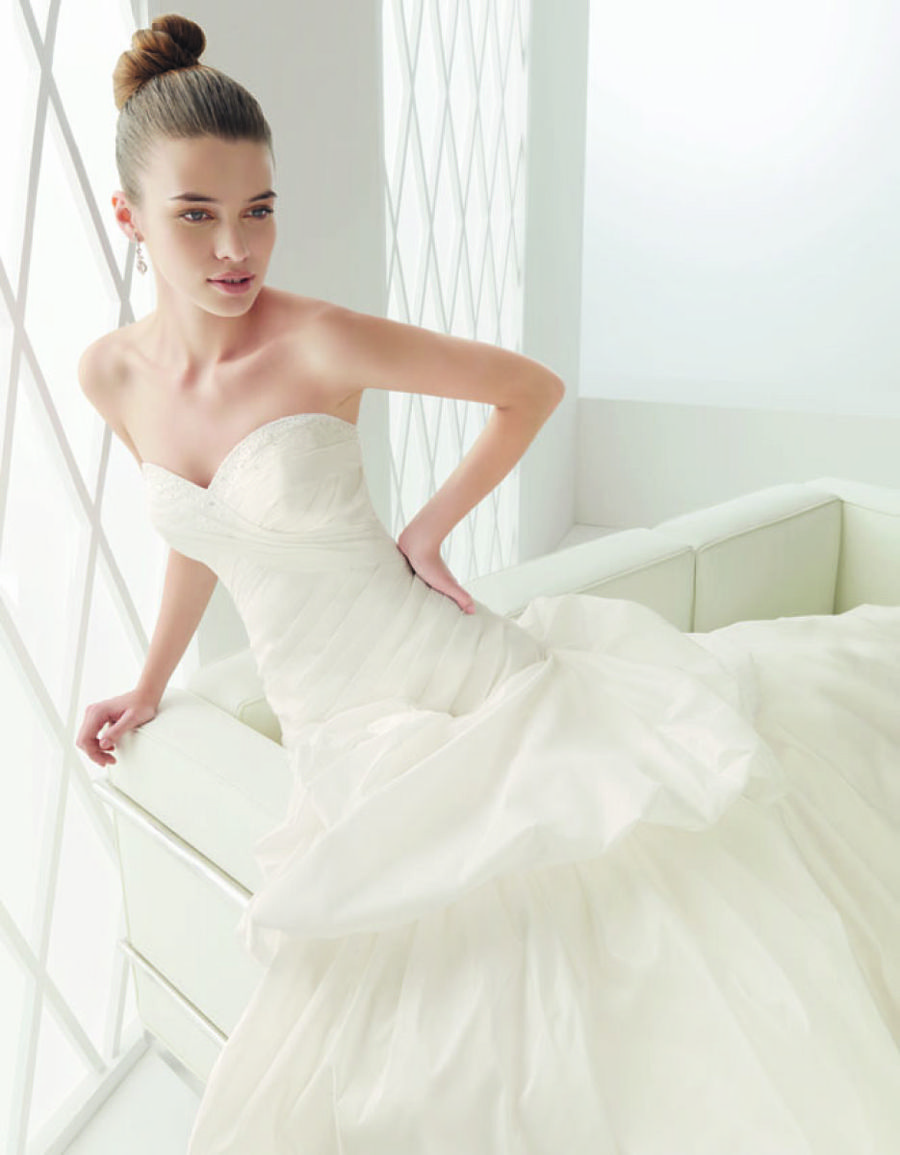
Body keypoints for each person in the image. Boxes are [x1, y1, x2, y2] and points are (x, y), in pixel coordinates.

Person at [76, 14, 900, 1154]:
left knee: (608, 955)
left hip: (446, 681)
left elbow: (530, 387)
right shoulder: (110, 375)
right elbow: (204, 537)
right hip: (334, 728)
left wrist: (427, 528)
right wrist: (150, 682)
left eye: (259, 210)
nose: (236, 249)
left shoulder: (318, 341)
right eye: (196, 215)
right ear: (130, 219)